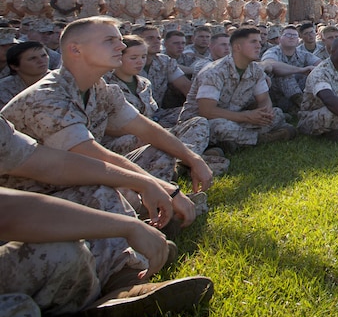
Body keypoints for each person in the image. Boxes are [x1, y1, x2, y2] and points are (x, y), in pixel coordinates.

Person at [0, 117, 214, 317]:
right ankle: (95, 282)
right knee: (61, 252)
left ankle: (124, 280)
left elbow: (52, 164)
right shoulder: (47, 94)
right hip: (24, 207)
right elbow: (7, 214)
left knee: (98, 190)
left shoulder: (103, 90)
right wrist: (127, 226)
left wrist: (146, 184)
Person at [0, 17, 207, 223]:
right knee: (103, 193)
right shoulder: (47, 97)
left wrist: (192, 158)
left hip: (79, 176)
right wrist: (162, 187)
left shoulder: (100, 88)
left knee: (160, 148)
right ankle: (140, 225)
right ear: (75, 50)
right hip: (33, 196)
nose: (122, 46)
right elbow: (92, 156)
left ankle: (152, 211)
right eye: (110, 40)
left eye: (119, 39)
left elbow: (146, 128)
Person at [177, 27, 296, 153]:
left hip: (235, 117)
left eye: (259, 41)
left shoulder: (256, 70)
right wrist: (246, 116)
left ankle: (232, 142)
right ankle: (262, 138)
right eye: (253, 42)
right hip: (201, 122)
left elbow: (264, 99)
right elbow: (207, 111)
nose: (259, 45)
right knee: (220, 126)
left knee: (276, 113)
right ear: (237, 47)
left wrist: (264, 113)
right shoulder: (214, 72)